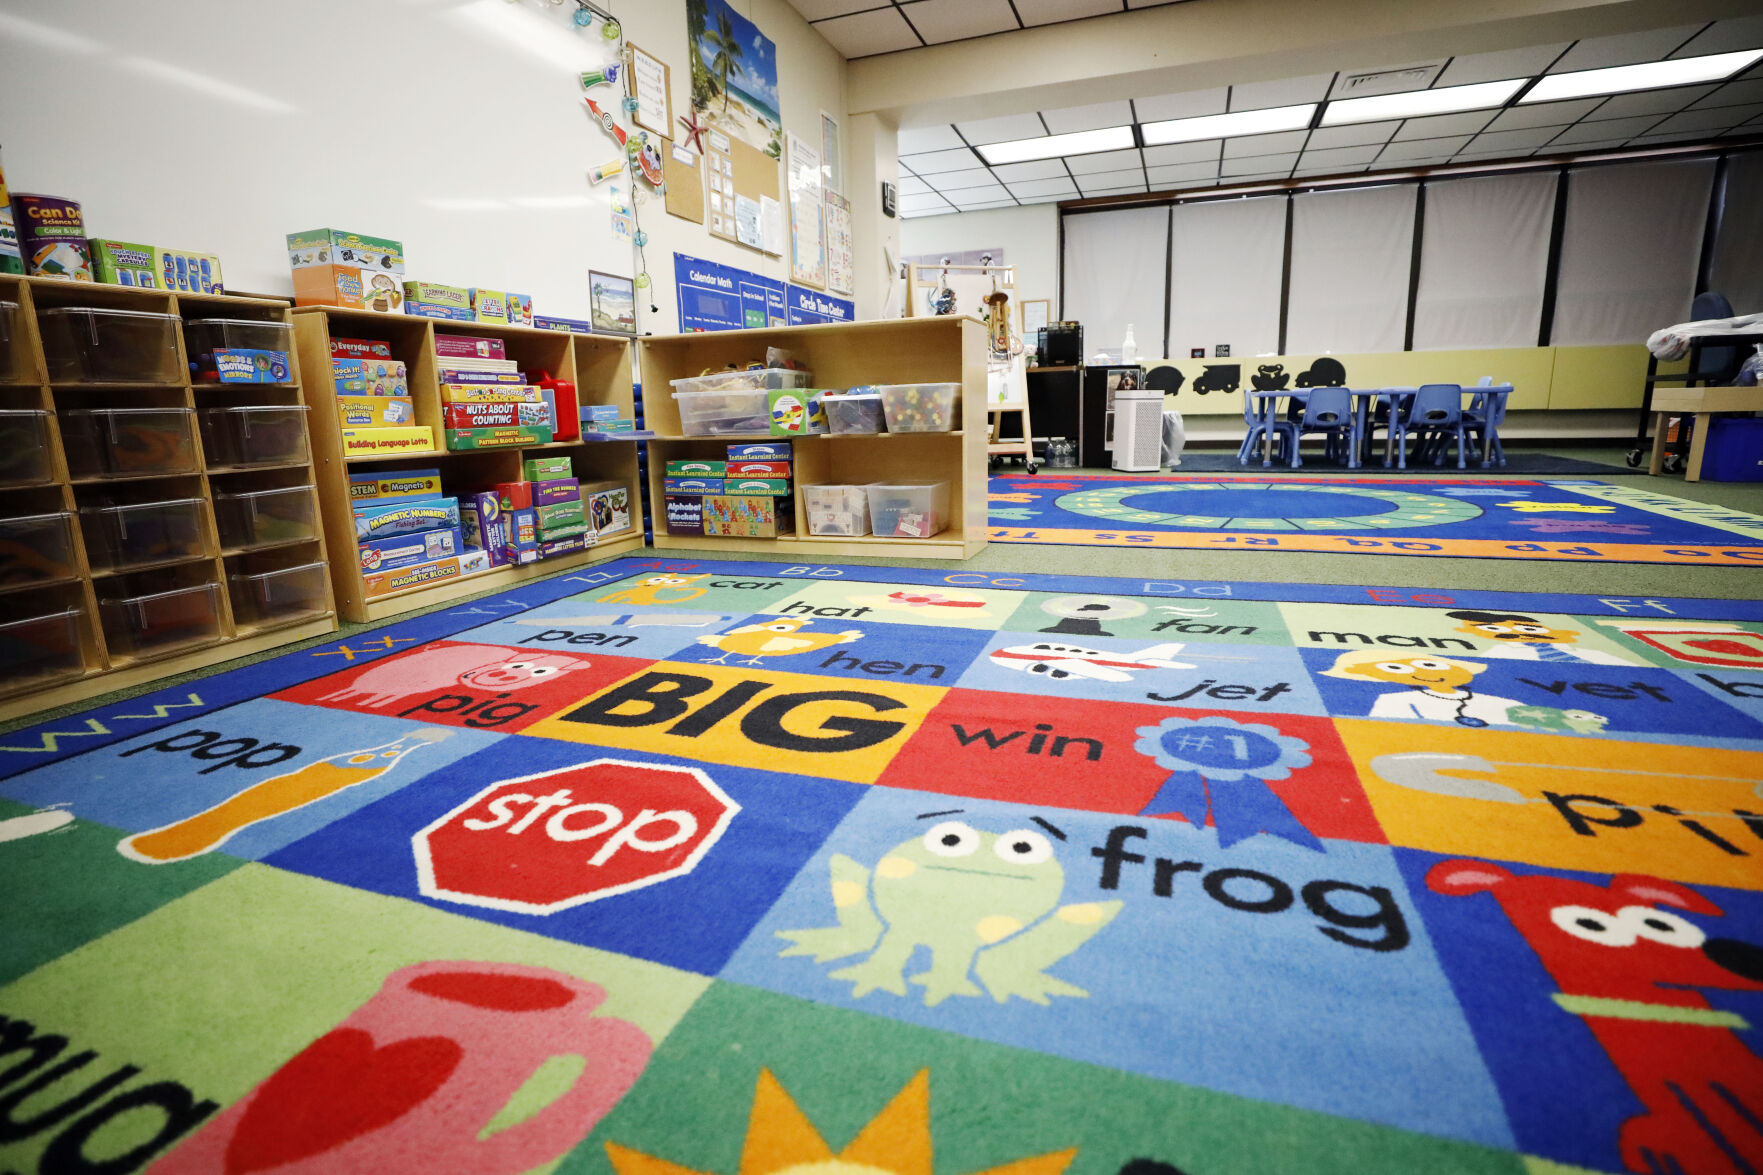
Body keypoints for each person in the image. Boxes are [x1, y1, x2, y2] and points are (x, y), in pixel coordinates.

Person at [1320, 650, 1524, 728]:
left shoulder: (1504, 703)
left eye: (1430, 665)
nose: (1423, 672)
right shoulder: (1396, 701)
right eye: (1395, 668)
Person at [1444, 610, 1636, 665]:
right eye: (1492, 628)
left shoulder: (1596, 654)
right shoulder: (1495, 655)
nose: (1520, 633)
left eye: (1530, 629)